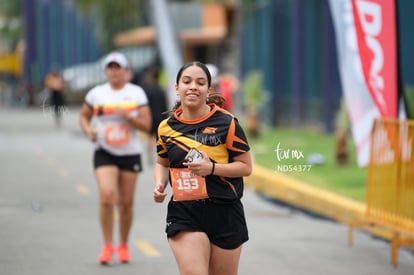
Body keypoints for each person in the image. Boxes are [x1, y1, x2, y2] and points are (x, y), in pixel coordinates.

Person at [153, 61, 252, 275]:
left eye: (200, 82)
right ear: (177, 88)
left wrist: (212, 169)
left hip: (225, 210)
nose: (193, 87)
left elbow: (245, 167)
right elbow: (162, 162)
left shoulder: (228, 123)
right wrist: (159, 184)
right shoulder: (166, 127)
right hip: (185, 211)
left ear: (209, 89)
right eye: (186, 81)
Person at [79, 52, 152, 264]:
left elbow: (147, 125)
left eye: (117, 67)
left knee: (126, 203)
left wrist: (128, 116)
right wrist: (88, 131)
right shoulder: (96, 93)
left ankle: (123, 245)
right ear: (105, 71)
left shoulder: (136, 93)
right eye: (110, 67)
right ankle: (107, 244)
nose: (114, 71)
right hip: (105, 151)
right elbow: (84, 116)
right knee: (107, 195)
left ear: (125, 70)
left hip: (130, 153)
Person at [140, 66, 168, 163]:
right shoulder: (161, 90)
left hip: (151, 117)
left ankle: (150, 156)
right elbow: (165, 105)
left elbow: (145, 106)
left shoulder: (148, 90)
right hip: (161, 117)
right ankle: (160, 156)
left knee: (149, 137)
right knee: (160, 137)